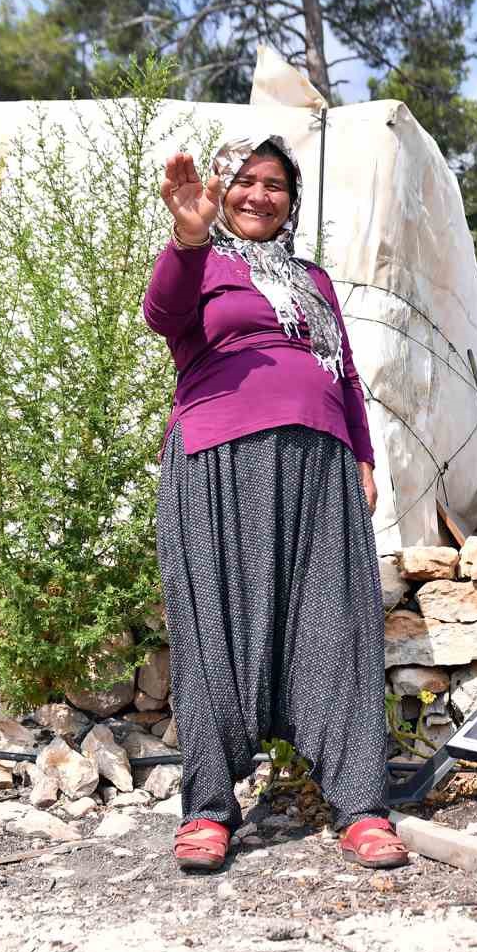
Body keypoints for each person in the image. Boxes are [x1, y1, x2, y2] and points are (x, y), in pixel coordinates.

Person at [143, 133, 408, 872]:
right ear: (221, 191)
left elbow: (346, 374)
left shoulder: (312, 280)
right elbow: (162, 316)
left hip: (320, 462)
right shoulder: (202, 264)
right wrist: (187, 238)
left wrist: (362, 454)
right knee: (216, 630)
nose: (260, 195)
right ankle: (208, 808)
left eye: (276, 185)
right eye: (245, 181)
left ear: (292, 201)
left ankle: (359, 804)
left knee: (339, 626)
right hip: (219, 458)